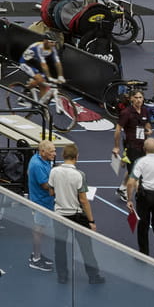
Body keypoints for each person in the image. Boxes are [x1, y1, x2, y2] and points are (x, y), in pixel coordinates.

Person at [48, 143, 105, 285]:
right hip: (78, 215)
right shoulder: (79, 175)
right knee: (86, 247)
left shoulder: (54, 171)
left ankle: (62, 276)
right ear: (76, 157)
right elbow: (83, 200)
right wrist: (91, 221)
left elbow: (51, 192)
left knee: (60, 246)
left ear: (63, 156)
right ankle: (93, 276)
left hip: (60, 214)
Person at [26, 139, 59, 271]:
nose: (55, 154)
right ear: (43, 151)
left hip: (44, 200)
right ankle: (36, 259)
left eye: (55, 150)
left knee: (40, 229)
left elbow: (29, 174)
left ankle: (36, 255)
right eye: (52, 151)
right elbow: (46, 186)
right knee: (38, 230)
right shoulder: (37, 165)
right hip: (41, 202)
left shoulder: (39, 158)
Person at [21, 34, 66, 115]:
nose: (53, 44)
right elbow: (43, 65)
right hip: (26, 63)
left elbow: (57, 63)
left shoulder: (52, 48)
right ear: (45, 41)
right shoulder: (38, 47)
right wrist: (49, 77)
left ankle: (40, 105)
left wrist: (60, 76)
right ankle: (23, 94)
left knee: (44, 85)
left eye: (54, 42)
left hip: (35, 63)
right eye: (51, 42)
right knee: (40, 79)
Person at [112, 87, 152, 176]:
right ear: (131, 99)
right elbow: (118, 130)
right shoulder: (126, 113)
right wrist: (116, 147)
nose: (138, 100)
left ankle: (123, 188)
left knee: (140, 171)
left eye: (140, 97)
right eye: (136, 97)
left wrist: (149, 130)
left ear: (143, 98)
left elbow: (148, 125)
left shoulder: (145, 110)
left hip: (143, 146)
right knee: (134, 174)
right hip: (132, 147)